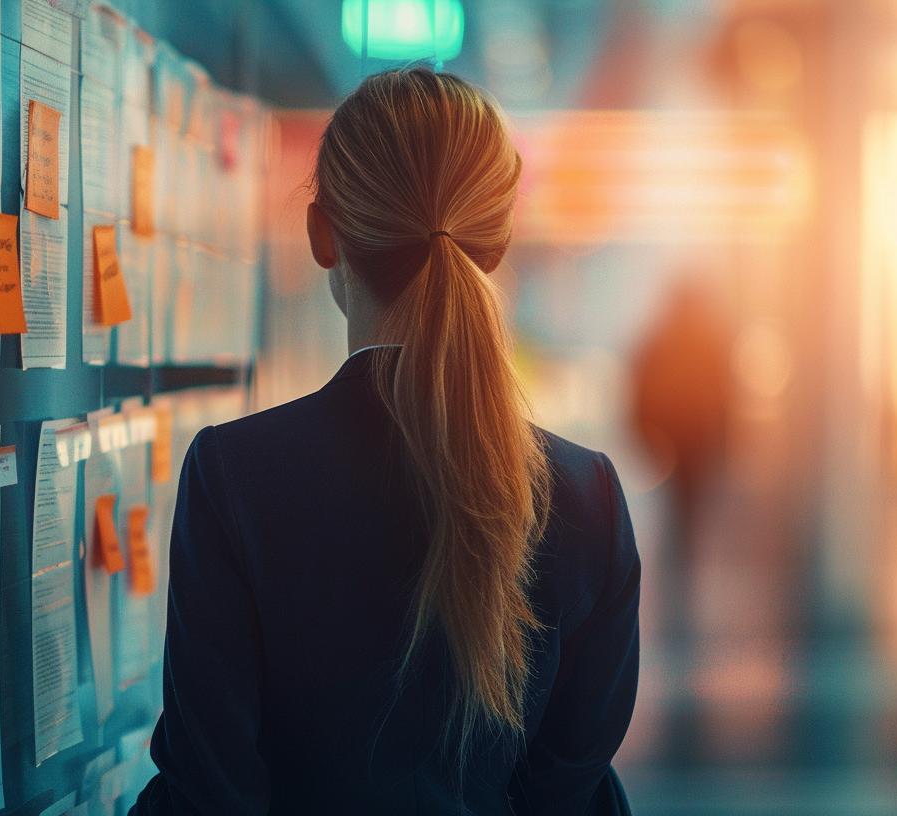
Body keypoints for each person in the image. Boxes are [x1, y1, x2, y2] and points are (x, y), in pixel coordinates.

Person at [131, 68, 640, 815]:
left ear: (321, 232)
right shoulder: (586, 493)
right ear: (496, 243)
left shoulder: (233, 476)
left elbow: (212, 790)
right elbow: (571, 785)